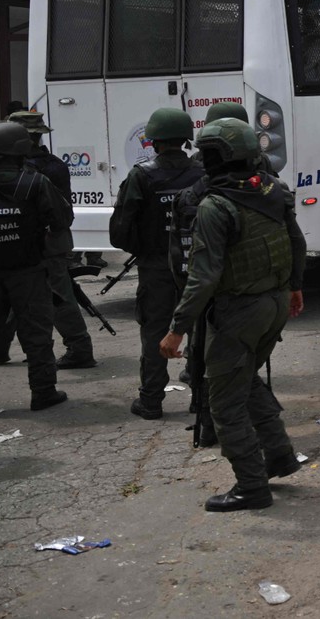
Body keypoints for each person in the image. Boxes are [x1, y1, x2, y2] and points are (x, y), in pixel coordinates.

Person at [159, 119, 305, 510]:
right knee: (245, 380)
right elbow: (296, 242)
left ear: (217, 157)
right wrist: (294, 286)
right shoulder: (273, 190)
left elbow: (203, 277)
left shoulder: (215, 205)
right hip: (273, 304)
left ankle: (252, 487)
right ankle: (280, 456)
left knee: (223, 402)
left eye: (205, 152)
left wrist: (176, 330)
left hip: (240, 310)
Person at [110, 108, 204, 420]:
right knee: (200, 329)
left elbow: (120, 231)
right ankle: (200, 399)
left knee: (154, 332)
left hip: (156, 268)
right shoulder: (202, 176)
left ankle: (151, 401)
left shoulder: (141, 175)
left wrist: (146, 250)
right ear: (185, 140)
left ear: (153, 142)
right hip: (196, 266)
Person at [0, 112, 91, 369]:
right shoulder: (53, 164)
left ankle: (79, 347)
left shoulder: (32, 170)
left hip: (41, 245)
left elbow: (58, 215)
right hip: (43, 244)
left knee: (56, 297)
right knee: (19, 294)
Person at [0, 121, 70, 411]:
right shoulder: (34, 182)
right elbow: (62, 220)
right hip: (28, 270)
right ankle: (43, 391)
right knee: (36, 333)